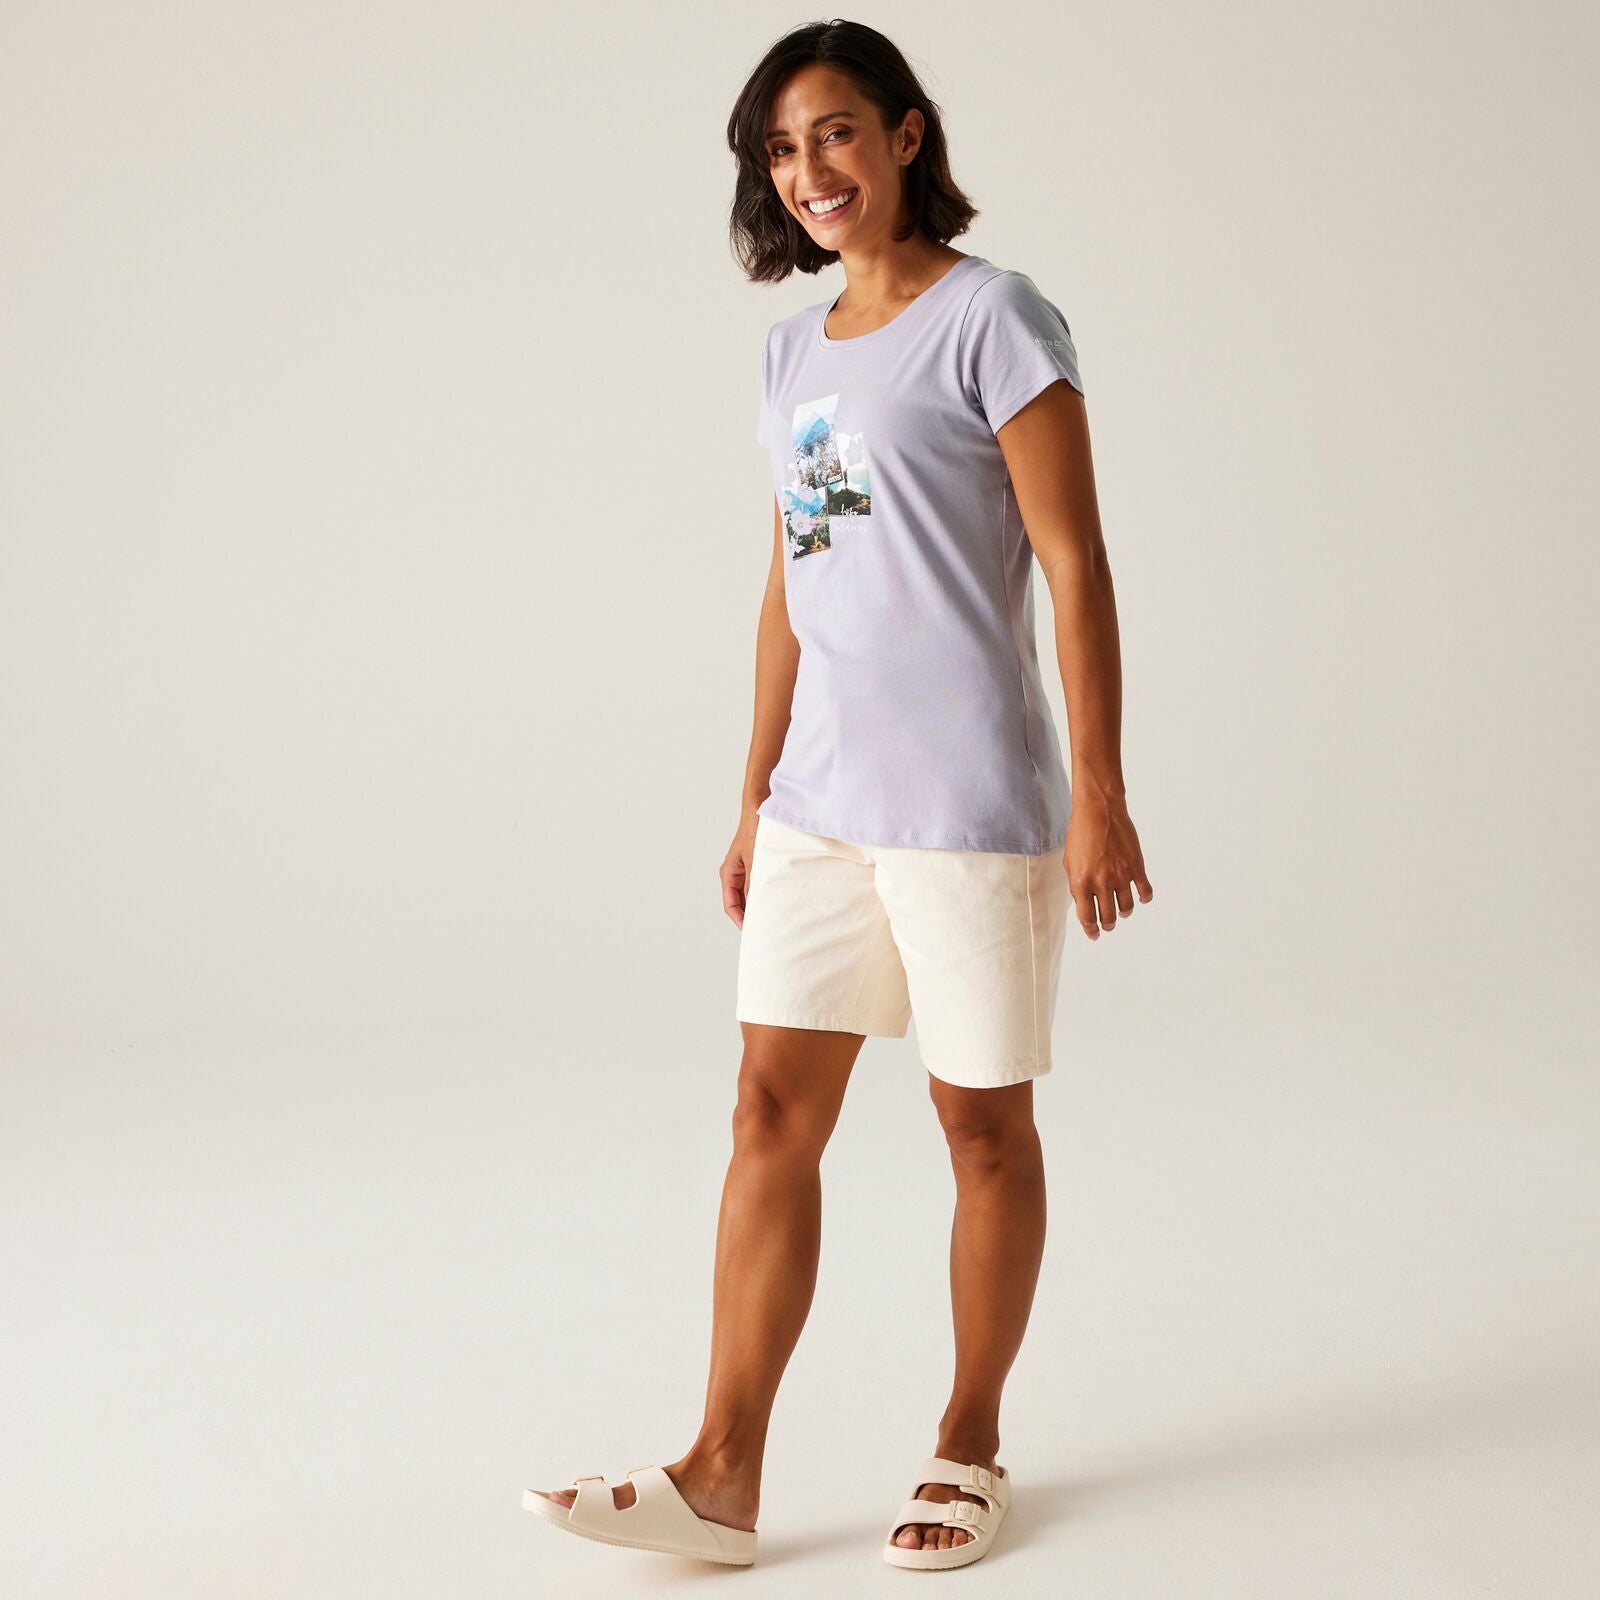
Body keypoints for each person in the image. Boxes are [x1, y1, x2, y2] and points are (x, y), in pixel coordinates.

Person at [523, 18, 1152, 1572]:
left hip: (969, 805)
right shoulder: (793, 351)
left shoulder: (996, 319)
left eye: (837, 133)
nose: (811, 170)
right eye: (783, 149)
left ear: (906, 134)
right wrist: (754, 796)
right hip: (819, 805)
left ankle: (971, 1441)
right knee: (765, 1112)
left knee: (979, 1126)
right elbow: (791, 584)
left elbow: (1074, 564)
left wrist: (1102, 792)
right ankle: (720, 1473)